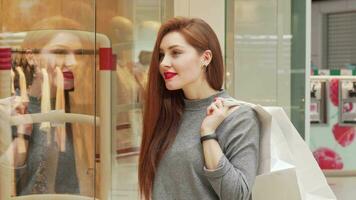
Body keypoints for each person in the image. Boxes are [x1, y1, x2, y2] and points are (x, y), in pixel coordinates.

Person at [138, 17, 260, 200]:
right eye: (162, 55)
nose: (163, 63)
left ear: (206, 58)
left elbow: (238, 195)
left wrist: (208, 133)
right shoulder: (167, 114)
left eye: (176, 53)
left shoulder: (238, 116)